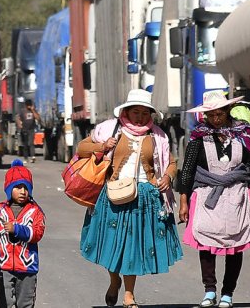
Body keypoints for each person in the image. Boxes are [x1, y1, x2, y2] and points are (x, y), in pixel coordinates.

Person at [78, 89, 181, 308]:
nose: (140, 117)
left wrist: (168, 177)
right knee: (112, 243)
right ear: (126, 112)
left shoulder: (158, 136)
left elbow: (171, 163)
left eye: (145, 113)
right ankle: (114, 280)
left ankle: (129, 294)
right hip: (113, 195)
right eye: (136, 112)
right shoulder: (110, 129)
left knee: (132, 247)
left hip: (144, 198)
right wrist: (102, 146)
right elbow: (82, 148)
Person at [176, 91, 250, 308]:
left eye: (220, 114)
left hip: (237, 195)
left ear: (228, 112)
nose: (216, 119)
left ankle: (228, 293)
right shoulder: (198, 139)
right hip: (206, 195)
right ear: (205, 116)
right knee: (206, 244)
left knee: (235, 244)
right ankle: (209, 290)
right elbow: (187, 171)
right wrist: (183, 201)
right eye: (211, 115)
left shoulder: (243, 136)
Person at [0, 159, 44, 308]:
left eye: (26, 187)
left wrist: (17, 229)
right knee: (4, 302)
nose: (23, 191)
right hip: (3, 266)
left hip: (27, 268)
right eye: (18, 187)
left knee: (25, 304)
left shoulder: (35, 211)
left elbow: (37, 233)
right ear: (9, 189)